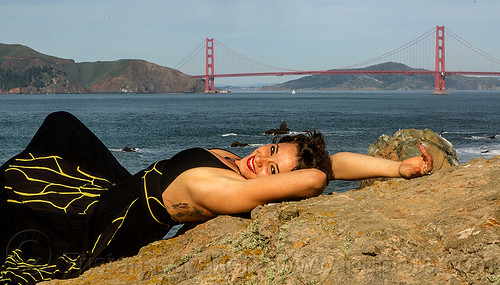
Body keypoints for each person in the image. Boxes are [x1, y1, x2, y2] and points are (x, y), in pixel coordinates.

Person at [0, 111, 432, 284]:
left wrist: (307, 173)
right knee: (61, 126)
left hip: (95, 229)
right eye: (271, 150)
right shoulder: (236, 164)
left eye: (272, 171)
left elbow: (318, 177)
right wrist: (397, 168)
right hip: (117, 191)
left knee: (13, 202)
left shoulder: (224, 190)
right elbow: (333, 163)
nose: (261, 160)